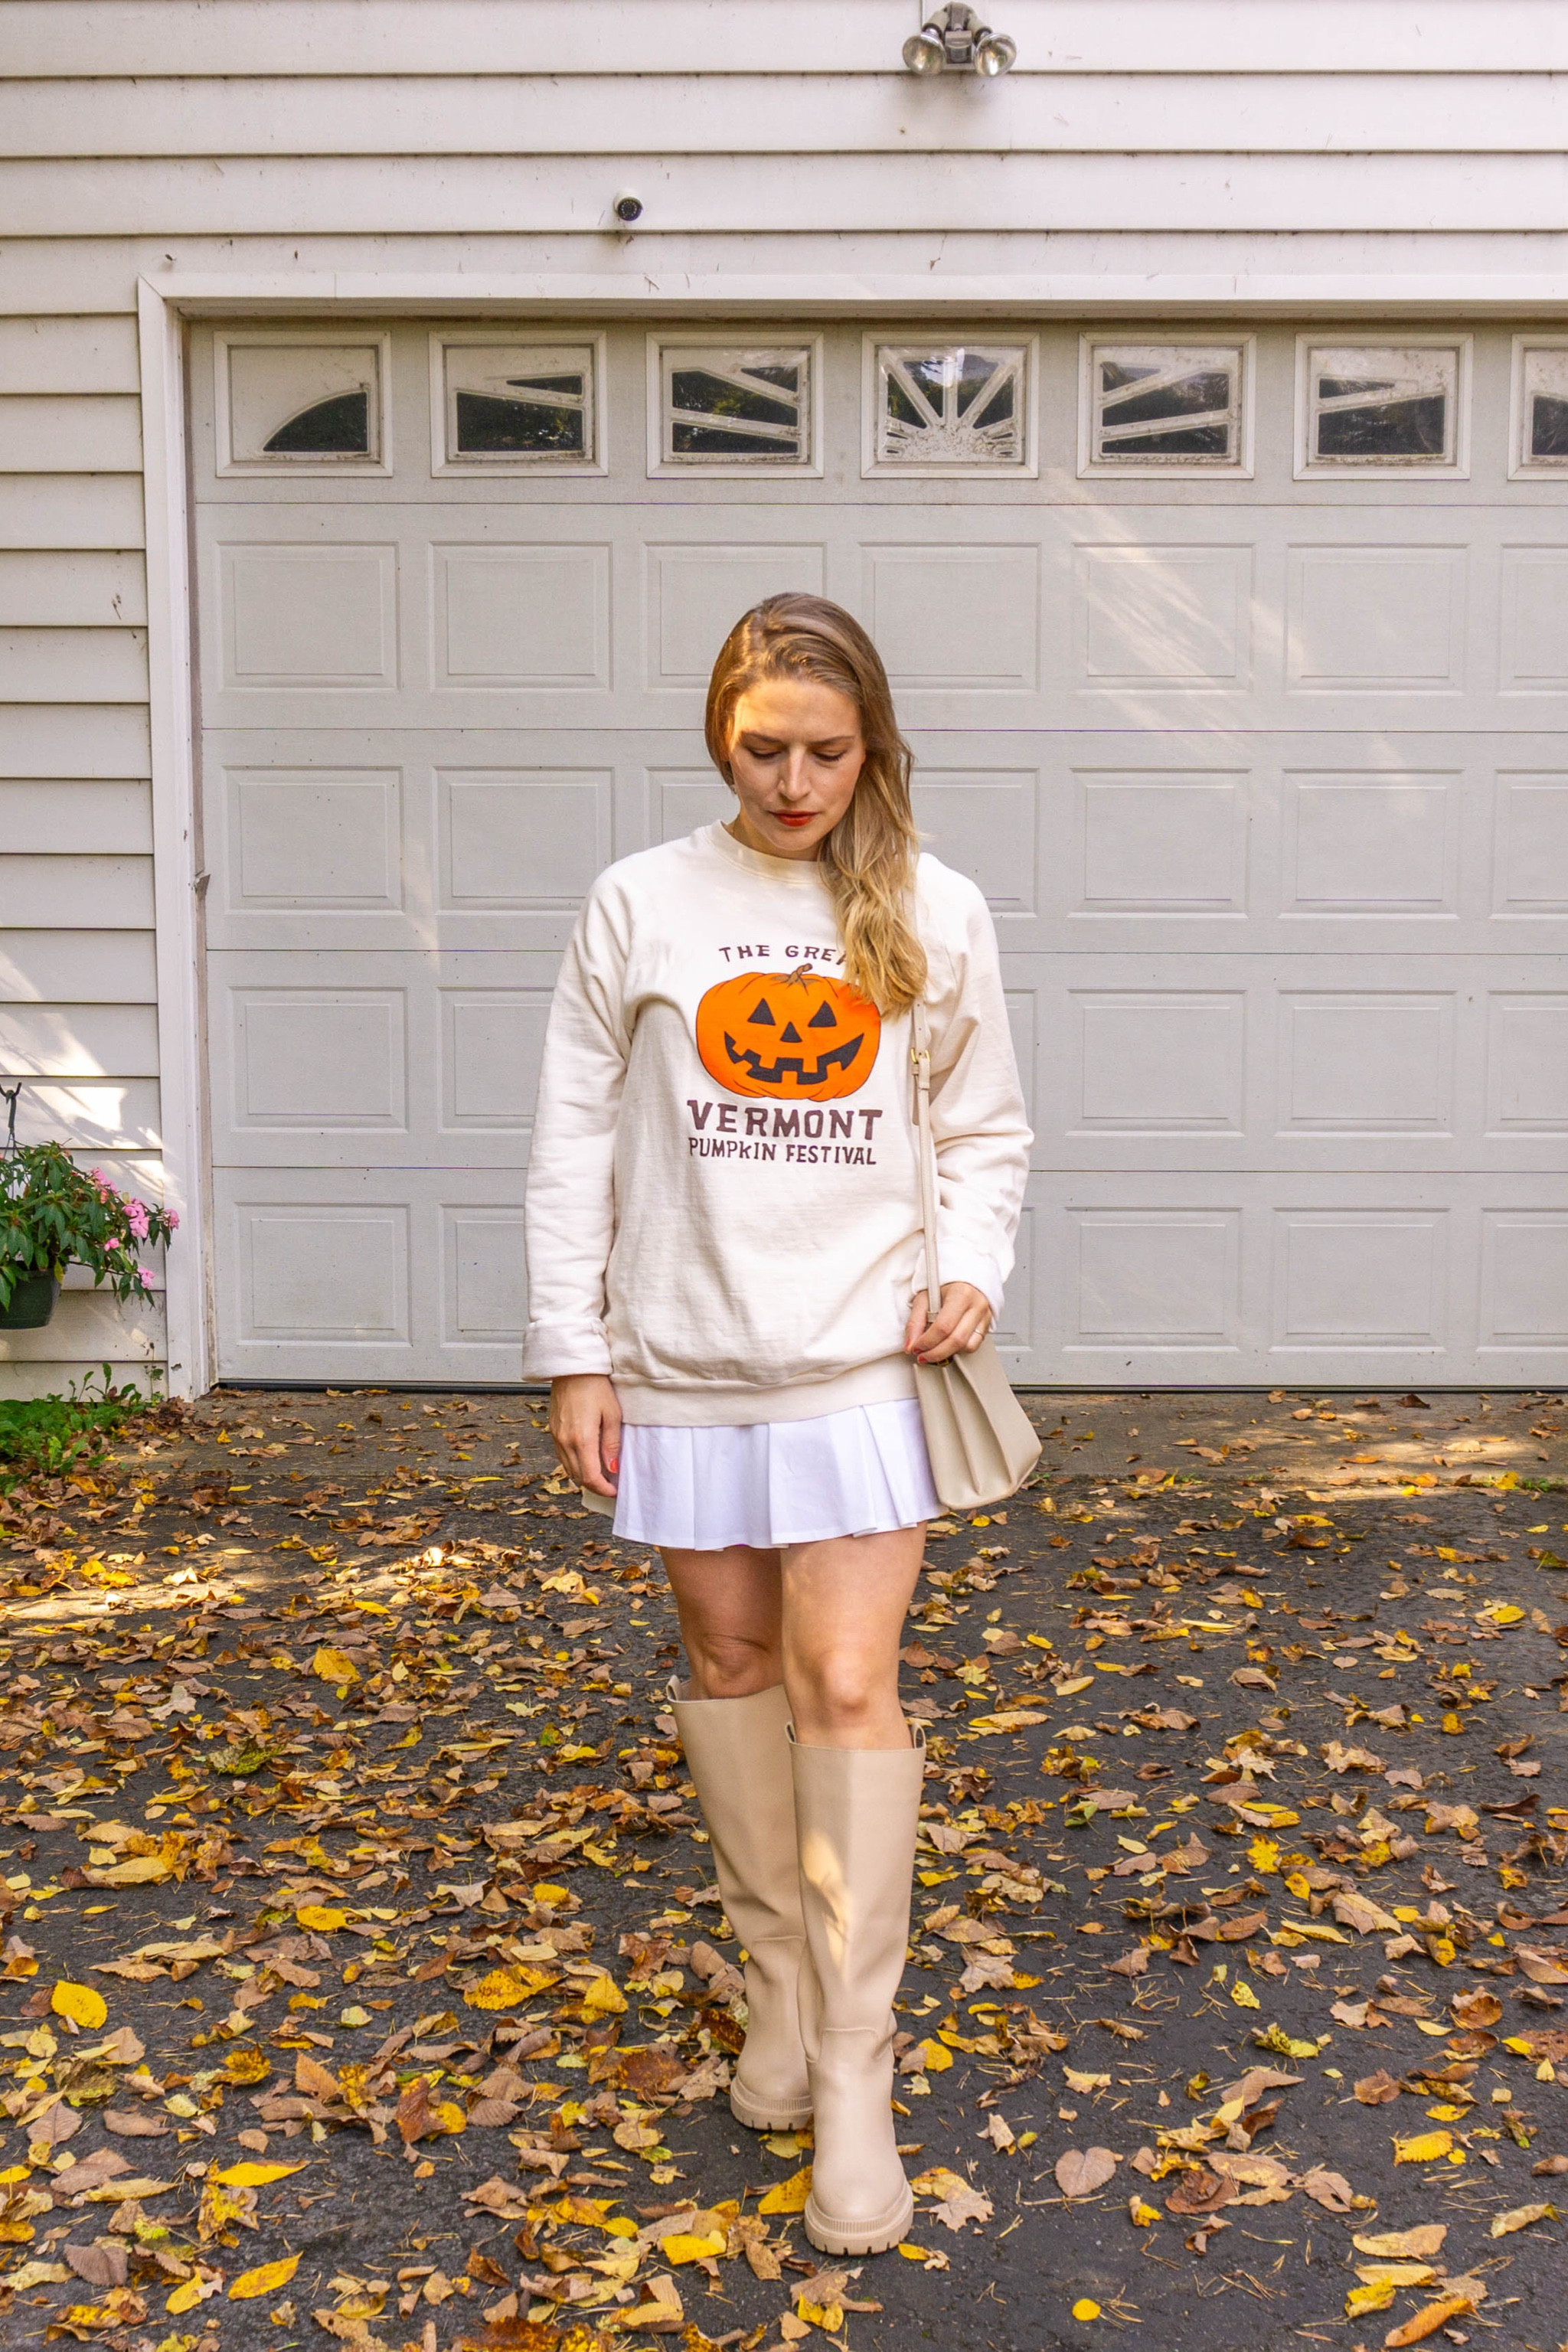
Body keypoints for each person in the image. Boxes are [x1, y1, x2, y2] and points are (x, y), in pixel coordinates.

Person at [524, 593, 1030, 2256]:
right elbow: (573, 1140)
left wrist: (971, 1268)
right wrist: (571, 1352)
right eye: (763, 748)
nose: (795, 779)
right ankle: (780, 1999)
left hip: (859, 1362)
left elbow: (983, 1129)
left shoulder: (931, 905)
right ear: (717, 733)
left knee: (843, 1681)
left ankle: (861, 2074)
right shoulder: (641, 903)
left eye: (825, 749)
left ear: (868, 740)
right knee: (733, 1670)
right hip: (683, 1360)